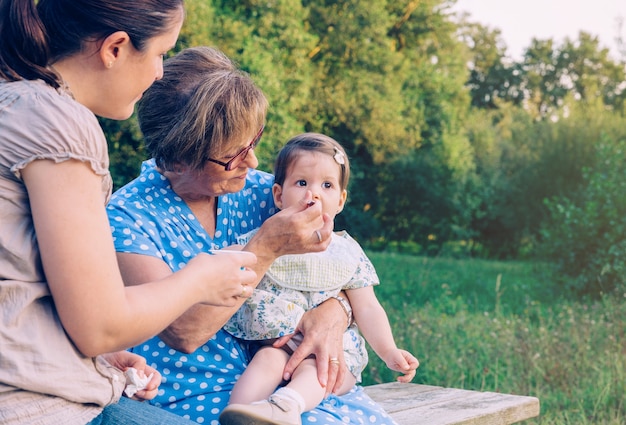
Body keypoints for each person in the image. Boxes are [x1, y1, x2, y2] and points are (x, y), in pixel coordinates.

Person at [107, 46, 400, 424]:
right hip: (198, 395)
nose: (254, 162)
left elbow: (337, 263)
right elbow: (184, 331)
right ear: (179, 158)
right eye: (234, 154)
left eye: (254, 142)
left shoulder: (266, 191)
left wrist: (334, 311)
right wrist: (265, 248)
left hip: (294, 387)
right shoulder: (128, 217)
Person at [0, 2, 258, 424]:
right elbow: (100, 325)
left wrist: (97, 358)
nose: (160, 73)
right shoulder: (59, 122)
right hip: (32, 406)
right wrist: (201, 277)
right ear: (115, 48)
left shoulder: (14, 100)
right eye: (160, 53)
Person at [219, 134, 420, 425]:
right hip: (275, 344)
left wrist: (389, 351)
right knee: (265, 361)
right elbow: (242, 257)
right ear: (279, 195)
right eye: (302, 183)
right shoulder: (268, 238)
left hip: (332, 355)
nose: (312, 194)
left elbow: (368, 308)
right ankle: (241, 412)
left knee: (316, 370)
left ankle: (287, 407)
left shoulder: (346, 251)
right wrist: (228, 255)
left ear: (339, 200)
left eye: (326, 185)